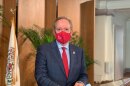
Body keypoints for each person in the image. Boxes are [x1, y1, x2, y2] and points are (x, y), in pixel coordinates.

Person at [35, 17, 88, 86]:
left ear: (71, 32)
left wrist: (81, 82)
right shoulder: (44, 50)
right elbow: (40, 76)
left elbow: (83, 74)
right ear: (54, 32)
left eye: (66, 29)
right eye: (59, 29)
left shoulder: (79, 51)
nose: (63, 32)